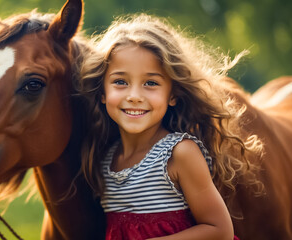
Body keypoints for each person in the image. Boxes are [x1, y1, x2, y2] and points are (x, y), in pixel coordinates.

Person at [78, 14, 263, 240]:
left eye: (151, 83)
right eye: (120, 82)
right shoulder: (106, 158)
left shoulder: (179, 153)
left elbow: (220, 230)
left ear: (173, 94)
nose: (134, 96)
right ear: (102, 92)